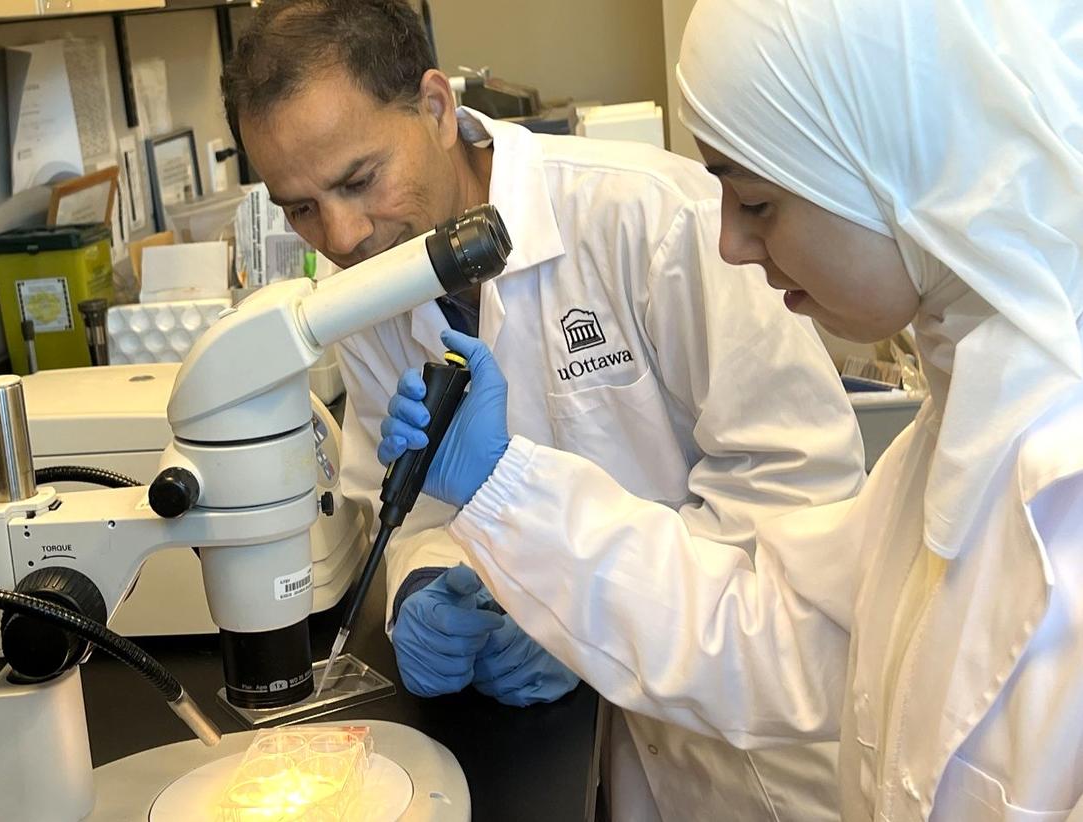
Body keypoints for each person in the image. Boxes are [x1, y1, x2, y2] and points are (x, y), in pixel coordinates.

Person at [378, 0, 1083, 818]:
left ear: (902, 167)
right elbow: (771, 630)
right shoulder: (958, 438)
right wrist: (505, 491)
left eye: (756, 203)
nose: (730, 245)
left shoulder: (1055, 480)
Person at [221, 1, 869, 818]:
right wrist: (427, 590)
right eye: (300, 207)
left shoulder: (656, 218)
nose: (344, 235)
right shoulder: (366, 293)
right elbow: (412, 504)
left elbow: (797, 514)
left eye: (359, 181)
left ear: (434, 106)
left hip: (750, 758)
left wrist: (575, 608)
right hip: (556, 749)